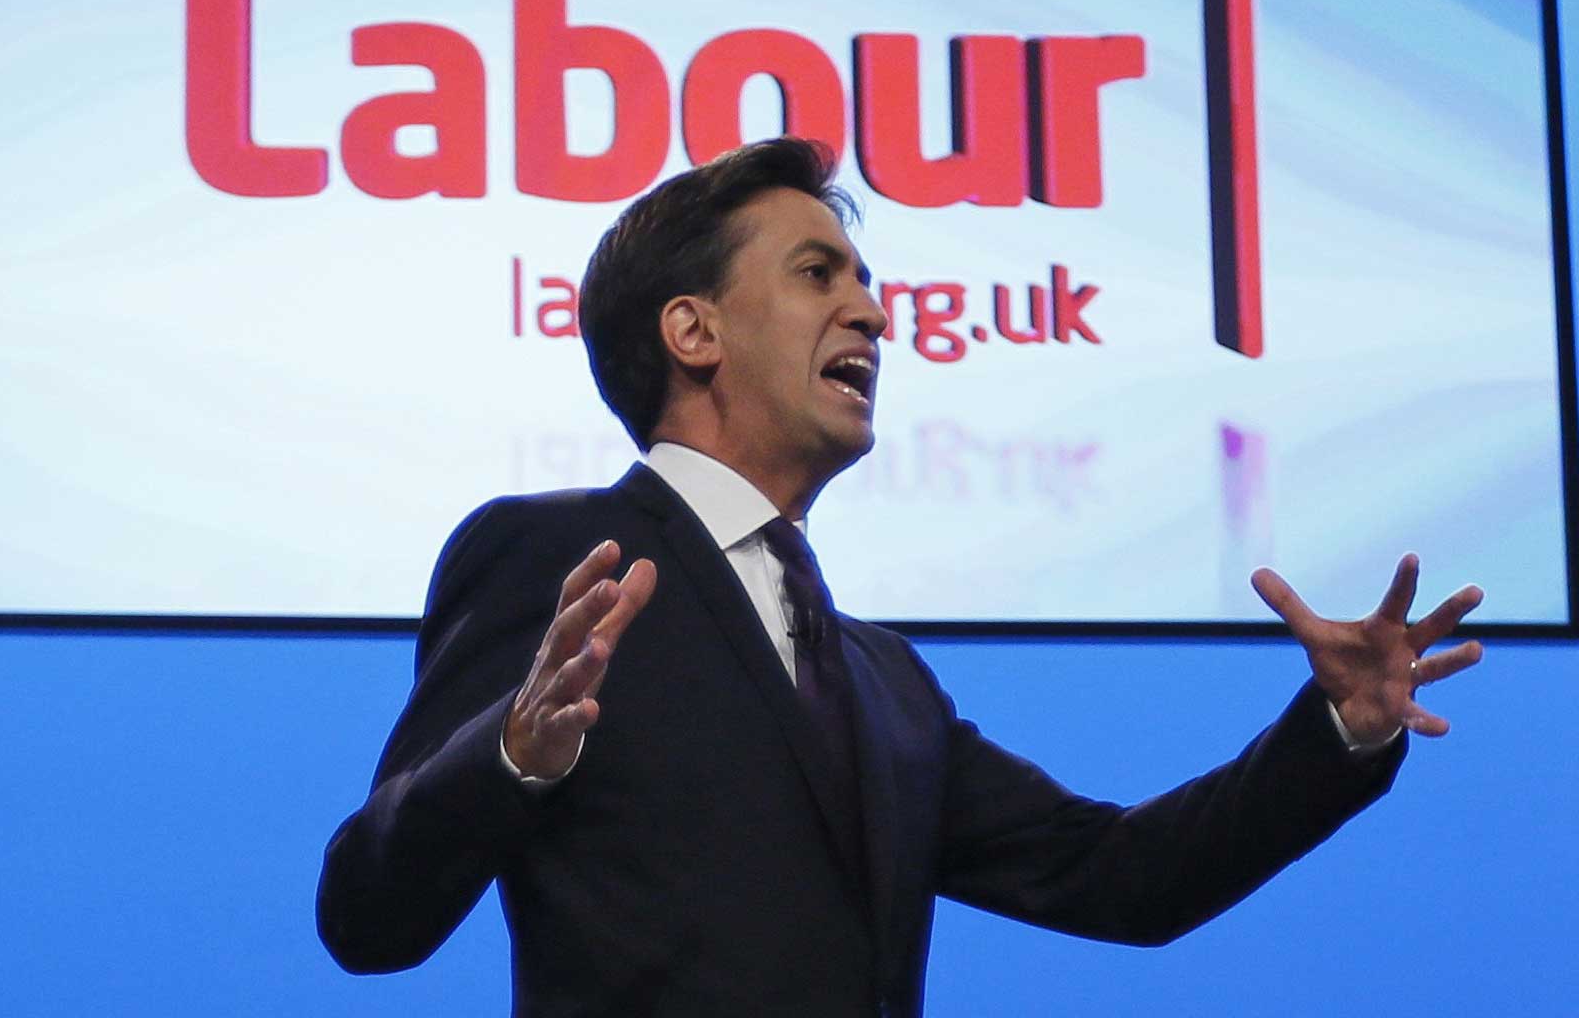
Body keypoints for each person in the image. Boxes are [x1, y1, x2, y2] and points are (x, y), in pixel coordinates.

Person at [316, 138, 1484, 1018]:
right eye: (817, 273)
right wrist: (510, 756)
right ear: (692, 331)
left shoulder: (883, 682)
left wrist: (1338, 729)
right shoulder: (563, 564)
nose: (872, 311)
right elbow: (367, 916)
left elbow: (1120, 880)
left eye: (864, 282)